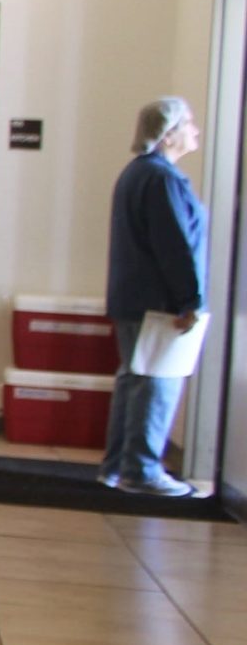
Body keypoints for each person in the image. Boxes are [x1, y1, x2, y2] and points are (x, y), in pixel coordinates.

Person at [100, 95, 209, 496]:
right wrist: (190, 299)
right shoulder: (162, 179)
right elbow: (175, 244)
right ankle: (141, 470)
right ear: (167, 134)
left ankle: (116, 467)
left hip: (133, 298)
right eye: (189, 123)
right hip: (158, 304)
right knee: (155, 385)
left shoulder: (136, 174)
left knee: (134, 379)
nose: (195, 130)